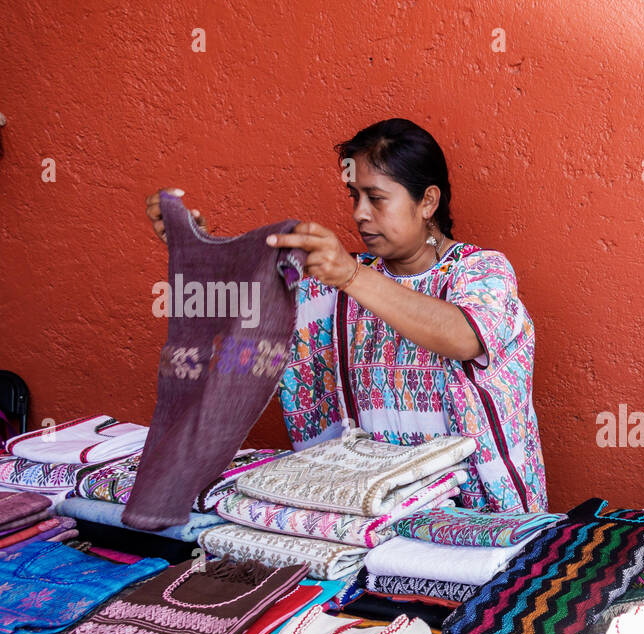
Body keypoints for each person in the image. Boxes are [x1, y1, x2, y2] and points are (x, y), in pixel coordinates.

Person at [146, 118, 547, 513]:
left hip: (481, 516)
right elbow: (239, 313)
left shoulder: (481, 272)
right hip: (371, 513)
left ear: (427, 201)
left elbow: (463, 337)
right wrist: (195, 247)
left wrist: (351, 275)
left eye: (376, 198)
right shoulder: (328, 285)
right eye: (354, 196)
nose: (359, 213)